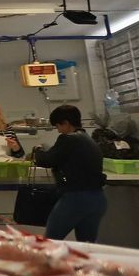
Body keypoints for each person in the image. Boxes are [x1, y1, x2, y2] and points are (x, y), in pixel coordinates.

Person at [32, 104, 108, 242]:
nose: (59, 131)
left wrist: (37, 151)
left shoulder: (68, 139)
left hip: (75, 199)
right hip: (97, 199)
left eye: (58, 126)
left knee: (49, 243)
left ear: (66, 123)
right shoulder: (88, 139)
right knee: (87, 246)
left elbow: (48, 160)